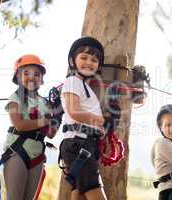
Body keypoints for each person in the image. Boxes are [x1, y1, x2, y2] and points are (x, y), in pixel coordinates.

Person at [0, 54, 60, 200]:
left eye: (37, 74)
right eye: (26, 73)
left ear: (42, 79)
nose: (32, 77)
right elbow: (19, 125)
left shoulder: (45, 103)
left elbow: (50, 134)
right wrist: (45, 120)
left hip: (37, 155)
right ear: (18, 77)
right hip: (18, 152)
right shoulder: (15, 98)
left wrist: (58, 113)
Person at [59, 36, 107, 200]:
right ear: (73, 61)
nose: (89, 62)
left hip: (85, 143)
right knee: (95, 192)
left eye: (94, 60)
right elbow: (74, 111)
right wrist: (99, 121)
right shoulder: (73, 81)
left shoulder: (83, 85)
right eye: (84, 57)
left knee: (78, 192)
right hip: (78, 143)